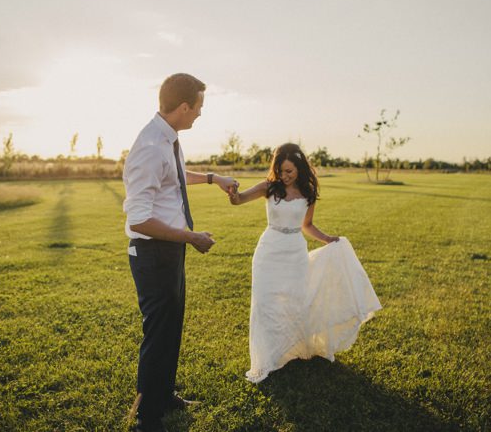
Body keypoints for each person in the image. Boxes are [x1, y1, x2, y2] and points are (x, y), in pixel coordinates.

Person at [123, 73, 238, 432]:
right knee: (158, 331)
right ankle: (147, 417)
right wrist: (189, 237)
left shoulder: (167, 139)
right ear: (184, 106)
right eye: (199, 106)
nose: (200, 114)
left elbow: (172, 174)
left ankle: (163, 394)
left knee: (172, 326)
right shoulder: (150, 146)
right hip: (153, 251)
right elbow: (139, 219)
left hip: (168, 249)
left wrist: (211, 178)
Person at [228, 143, 382, 383]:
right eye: (280, 171)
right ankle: (267, 358)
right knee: (266, 302)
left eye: (289, 171)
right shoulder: (268, 187)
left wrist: (328, 239)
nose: (284, 176)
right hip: (269, 251)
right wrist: (233, 194)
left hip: (294, 252)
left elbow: (306, 225)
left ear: (299, 168)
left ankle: (292, 351)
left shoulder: (308, 193)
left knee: (294, 301)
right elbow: (238, 200)